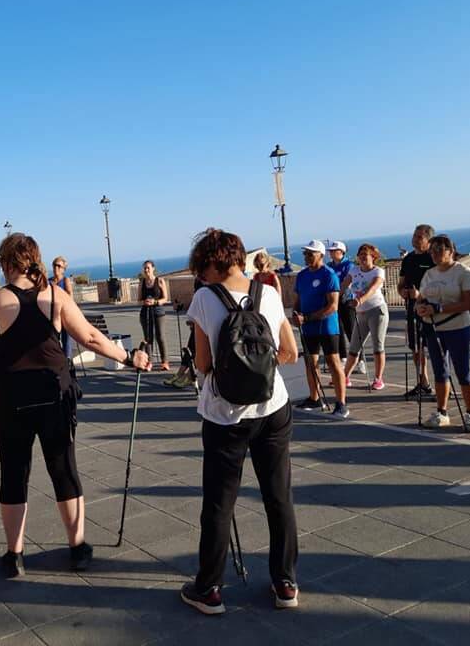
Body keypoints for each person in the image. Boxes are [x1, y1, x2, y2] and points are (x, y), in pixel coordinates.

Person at [0, 233, 150, 578]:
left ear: (6, 264)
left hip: (10, 397)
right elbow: (89, 337)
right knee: (63, 469)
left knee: (13, 473)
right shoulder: (55, 296)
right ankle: (77, 548)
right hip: (54, 394)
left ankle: (14, 554)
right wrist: (129, 357)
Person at [179, 229, 299, 615]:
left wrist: (234, 376)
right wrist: (258, 372)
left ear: (213, 261)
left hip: (224, 415)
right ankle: (285, 583)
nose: (201, 275)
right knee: (278, 496)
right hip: (273, 407)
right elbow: (289, 352)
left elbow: (201, 364)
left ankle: (209, 589)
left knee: (219, 502)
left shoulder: (203, 299)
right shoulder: (269, 293)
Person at [416, 235, 470, 431]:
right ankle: (442, 412)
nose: (434, 254)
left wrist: (439, 308)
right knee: (440, 371)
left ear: (451, 251)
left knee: (462, 371)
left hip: (458, 327)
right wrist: (420, 308)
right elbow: (422, 298)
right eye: (432, 250)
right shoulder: (429, 274)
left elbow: (469, 303)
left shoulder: (463, 272)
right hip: (433, 328)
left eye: (439, 250)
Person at [291, 240, 348, 418]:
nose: (307, 257)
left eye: (311, 254)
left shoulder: (329, 275)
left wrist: (308, 317)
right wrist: (296, 314)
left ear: (321, 255)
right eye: (306, 253)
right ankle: (314, 398)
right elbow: (299, 300)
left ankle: (341, 403)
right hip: (308, 329)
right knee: (310, 362)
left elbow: (333, 306)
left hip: (327, 327)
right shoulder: (301, 276)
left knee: (333, 362)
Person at [341, 244, 389, 389]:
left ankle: (378, 379)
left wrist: (360, 300)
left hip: (376, 311)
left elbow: (373, 288)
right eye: (360, 254)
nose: (362, 257)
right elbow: (343, 285)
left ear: (373, 257)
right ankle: (345, 377)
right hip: (360, 313)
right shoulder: (354, 270)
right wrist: (336, 296)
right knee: (354, 346)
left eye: (365, 254)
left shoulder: (378, 272)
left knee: (377, 346)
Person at [398, 225, 436, 398]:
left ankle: (443, 384)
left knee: (436, 347)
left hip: (433, 309)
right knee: (416, 347)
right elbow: (401, 283)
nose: (415, 239)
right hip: (413, 308)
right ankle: (423, 382)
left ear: (428, 240)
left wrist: (421, 294)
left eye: (419, 237)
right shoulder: (408, 259)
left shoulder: (433, 258)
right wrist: (403, 292)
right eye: (414, 235)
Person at [328, 240, 361, 373]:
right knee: (338, 330)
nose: (330, 253)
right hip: (334, 302)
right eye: (330, 251)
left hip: (347, 300)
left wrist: (337, 294)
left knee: (351, 330)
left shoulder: (349, 265)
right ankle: (342, 357)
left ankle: (360, 359)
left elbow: (347, 282)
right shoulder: (329, 265)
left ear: (341, 252)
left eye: (333, 251)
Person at [140, 260, 170, 370]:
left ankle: (165, 362)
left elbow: (165, 298)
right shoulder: (142, 282)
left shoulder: (160, 281)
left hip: (158, 312)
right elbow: (139, 300)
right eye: (144, 268)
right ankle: (149, 362)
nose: (146, 270)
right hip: (145, 313)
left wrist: (155, 302)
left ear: (153, 268)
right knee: (148, 338)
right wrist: (144, 302)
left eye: (148, 268)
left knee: (160, 336)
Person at [51, 256, 74, 359]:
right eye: (54, 265)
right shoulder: (48, 282)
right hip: (53, 317)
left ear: (64, 269)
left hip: (64, 316)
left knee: (66, 341)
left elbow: (70, 297)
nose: (56, 268)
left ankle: (68, 362)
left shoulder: (65, 281)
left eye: (59, 266)